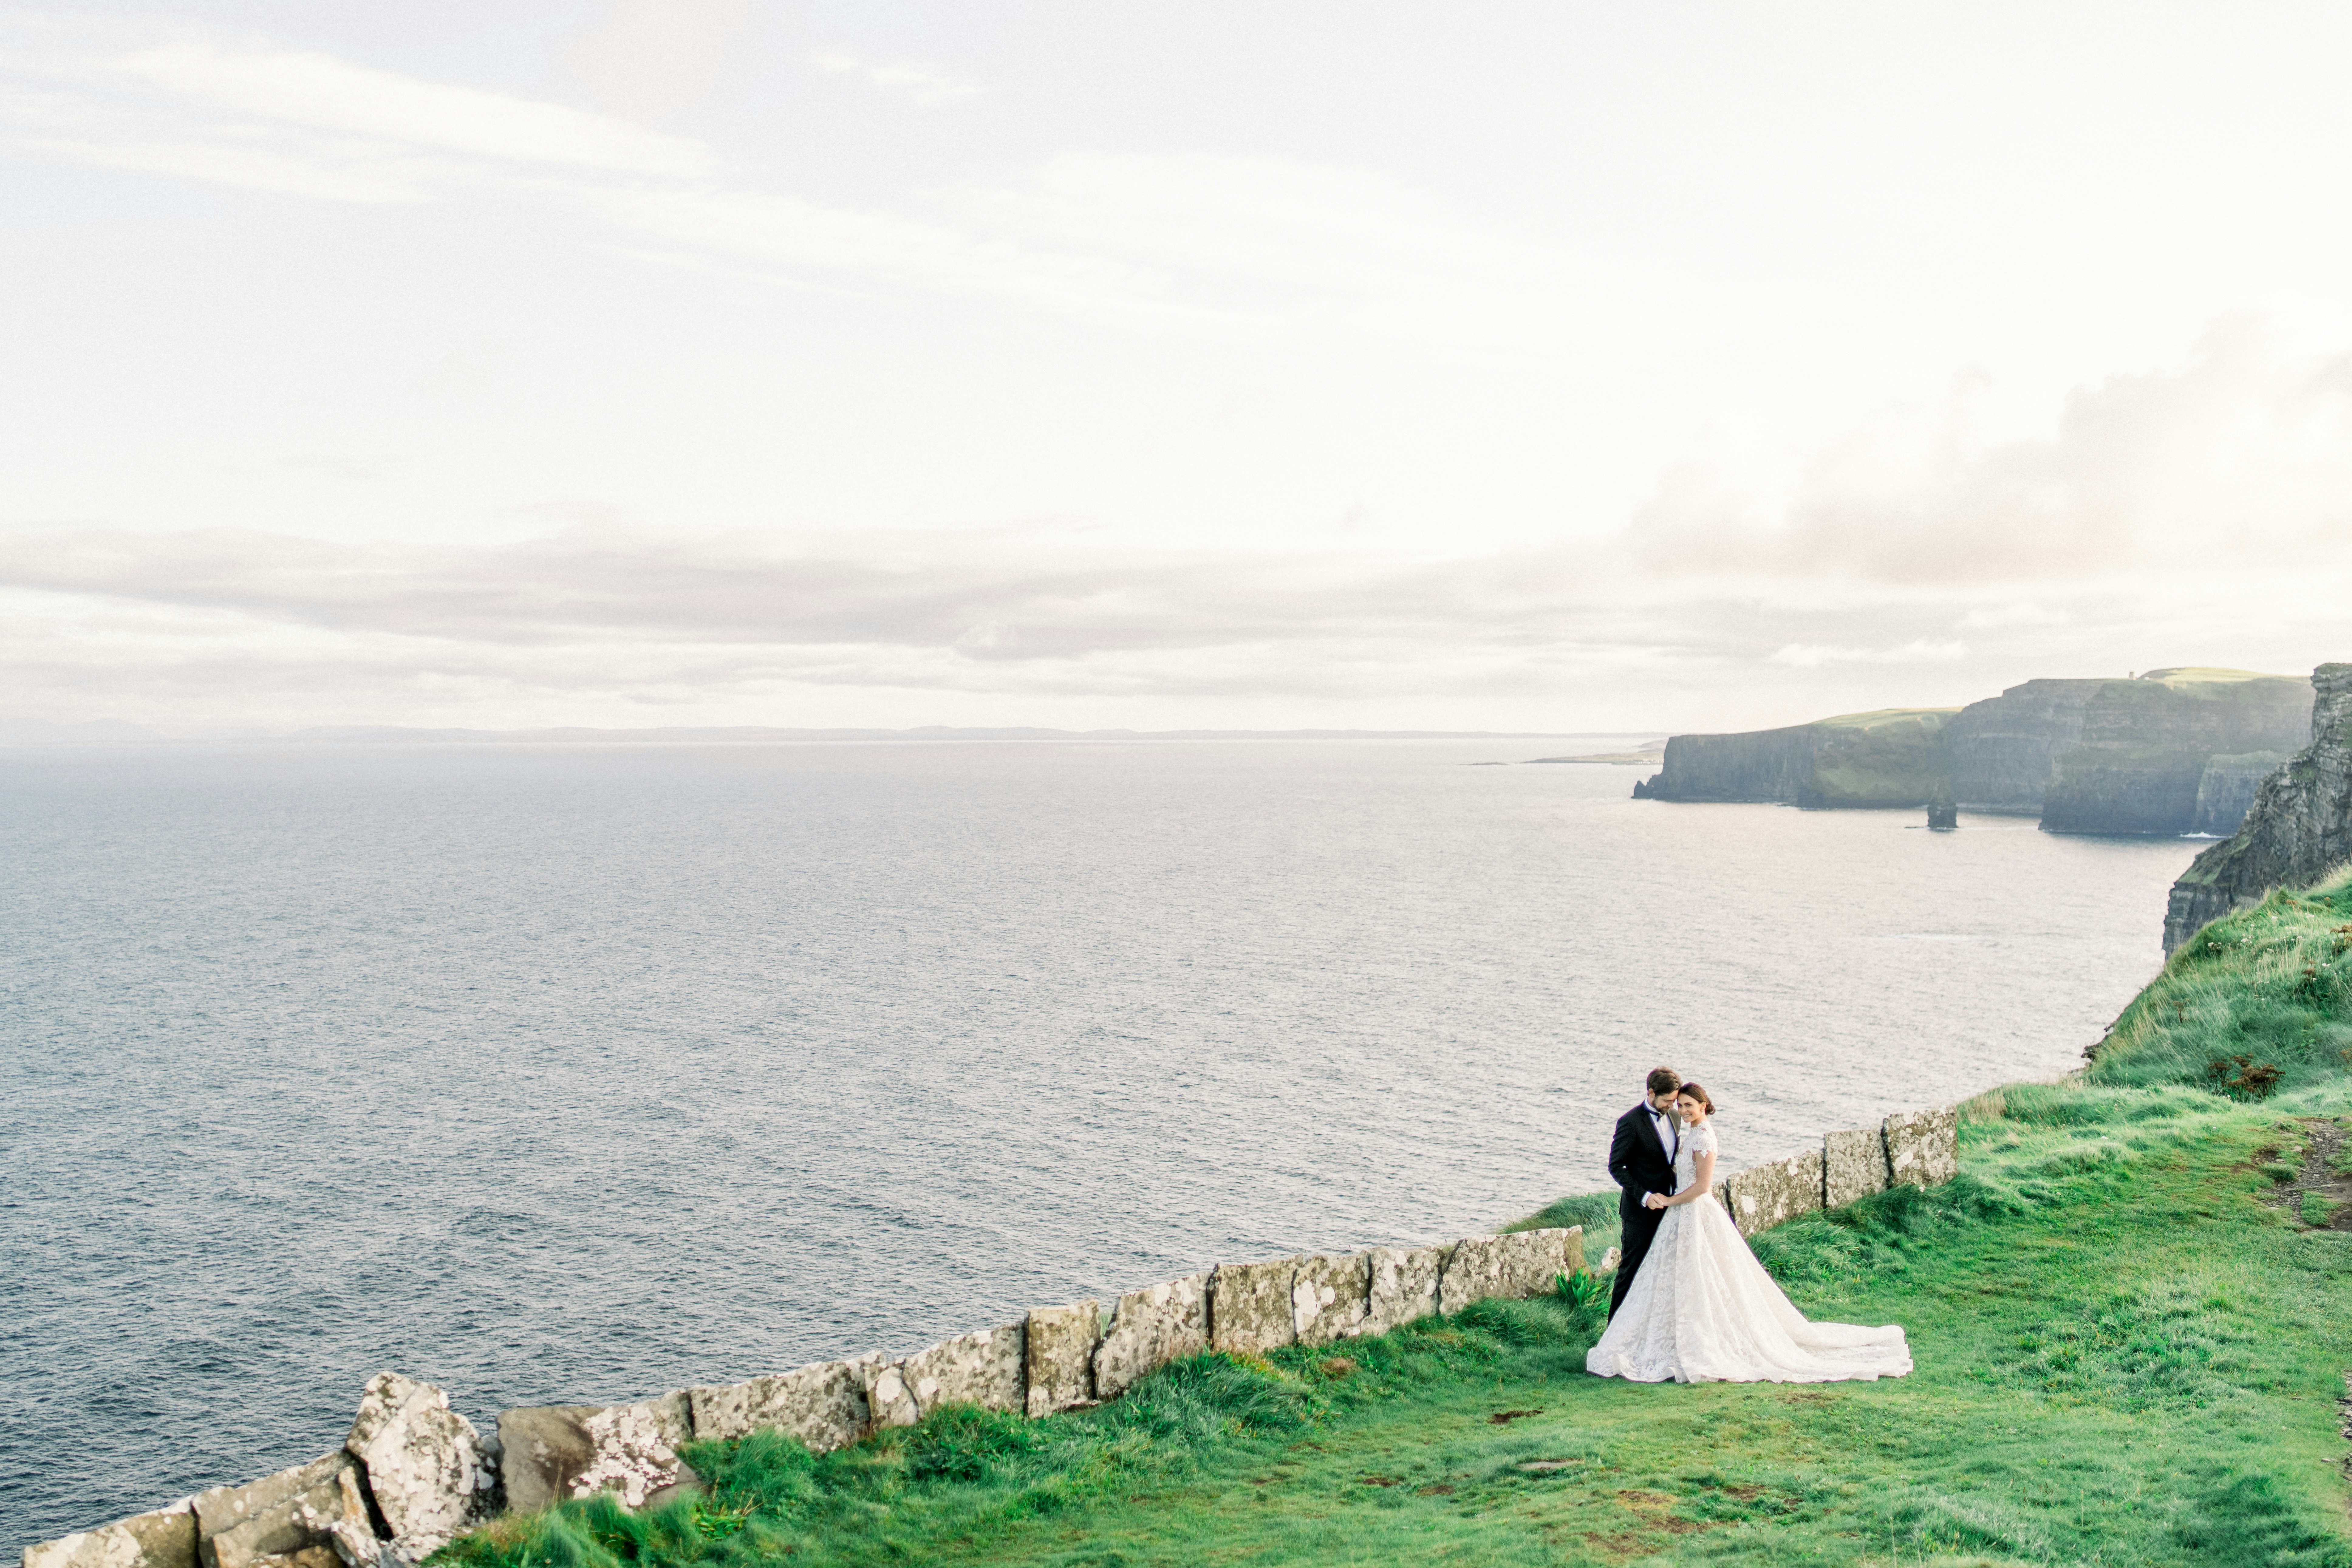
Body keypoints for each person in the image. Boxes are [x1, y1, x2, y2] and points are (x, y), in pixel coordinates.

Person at [1587, 1081, 1912, 1383]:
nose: (1682, 1111)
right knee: (1671, 1277)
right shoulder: (1679, 1128)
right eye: (1679, 1106)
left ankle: (1702, 1341)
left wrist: (1671, 1200)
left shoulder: (1702, 1138)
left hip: (1692, 1212)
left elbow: (1701, 1186)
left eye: (1688, 1106)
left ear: (1703, 1106)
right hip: (1674, 1215)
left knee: (1702, 1277)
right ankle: (1660, 1335)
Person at [1604, 1066, 1684, 1321]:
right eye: (1668, 1100)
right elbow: (1616, 1166)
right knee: (1631, 1269)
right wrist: (1645, 1195)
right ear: (1651, 1093)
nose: (1674, 1105)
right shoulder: (1629, 1122)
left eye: (1675, 1100)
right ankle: (1612, 1333)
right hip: (1639, 1212)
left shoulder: (1675, 1116)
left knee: (1663, 1269)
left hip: (1671, 1205)